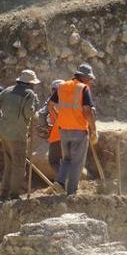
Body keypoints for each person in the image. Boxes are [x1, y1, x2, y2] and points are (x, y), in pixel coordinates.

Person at [47, 63, 97, 196]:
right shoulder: (83, 88)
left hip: (64, 130)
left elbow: (50, 104)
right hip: (79, 130)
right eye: (89, 78)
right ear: (83, 77)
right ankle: (71, 192)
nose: (90, 81)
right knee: (77, 162)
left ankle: (61, 181)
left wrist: (58, 117)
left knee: (67, 159)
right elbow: (87, 110)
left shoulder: (62, 86)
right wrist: (93, 130)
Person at [0, 69, 40, 202]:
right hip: (18, 135)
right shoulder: (29, 94)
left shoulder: (8, 90)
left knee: (9, 165)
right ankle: (13, 194)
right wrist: (34, 106)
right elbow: (29, 113)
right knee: (18, 166)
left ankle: (3, 195)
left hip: (5, 133)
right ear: (30, 84)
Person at [36, 79, 65, 173]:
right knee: (69, 160)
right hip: (76, 132)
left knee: (54, 160)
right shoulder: (72, 98)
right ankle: (73, 181)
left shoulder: (51, 100)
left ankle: (63, 182)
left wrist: (45, 127)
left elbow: (41, 114)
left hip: (59, 134)